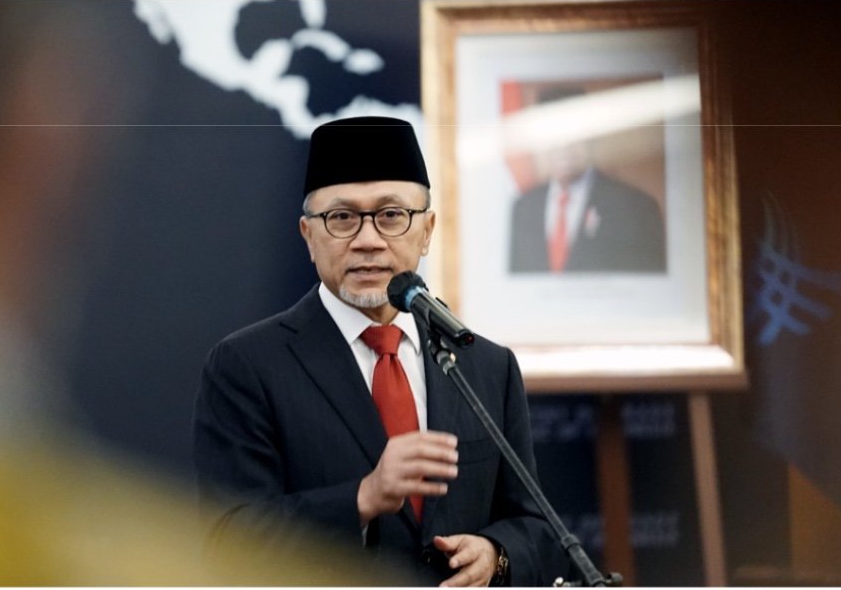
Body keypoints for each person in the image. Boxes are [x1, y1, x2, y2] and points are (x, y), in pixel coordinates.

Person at [193, 116, 571, 586]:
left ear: (427, 230)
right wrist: (363, 498)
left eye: (391, 215)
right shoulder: (248, 366)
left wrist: (497, 555)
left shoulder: (485, 366)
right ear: (309, 236)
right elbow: (226, 541)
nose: (368, 240)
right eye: (342, 218)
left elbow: (539, 528)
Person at [509, 87, 667, 274]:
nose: (564, 147)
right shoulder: (522, 209)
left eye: (574, 134)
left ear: (592, 136)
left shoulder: (636, 208)